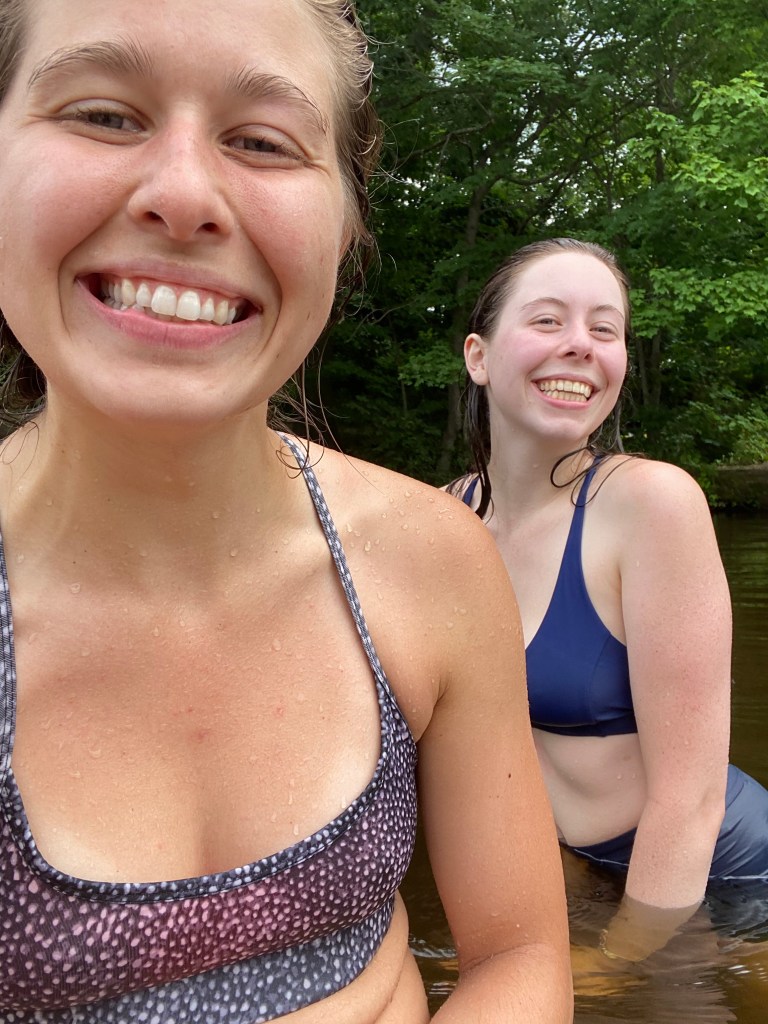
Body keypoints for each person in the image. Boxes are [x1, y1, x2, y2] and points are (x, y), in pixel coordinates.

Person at [0, 1, 573, 1021]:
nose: (184, 195)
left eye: (263, 141)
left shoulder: (434, 559)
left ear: (346, 227)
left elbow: (519, 953)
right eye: (104, 115)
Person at [446, 238, 768, 963]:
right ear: (478, 356)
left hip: (731, 876)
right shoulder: (443, 519)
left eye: (604, 328)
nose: (580, 345)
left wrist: (617, 963)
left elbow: (690, 801)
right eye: (548, 320)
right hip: (587, 872)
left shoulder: (651, 503)